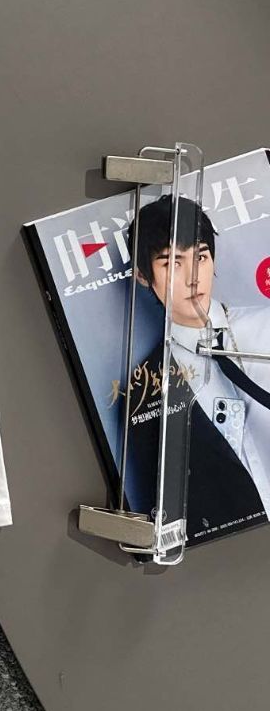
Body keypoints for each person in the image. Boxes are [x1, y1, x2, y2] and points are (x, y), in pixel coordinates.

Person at [120, 194, 270, 542]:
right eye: (171, 263)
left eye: (200, 257)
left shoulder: (265, 326)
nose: (192, 278)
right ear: (142, 276)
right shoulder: (145, 388)